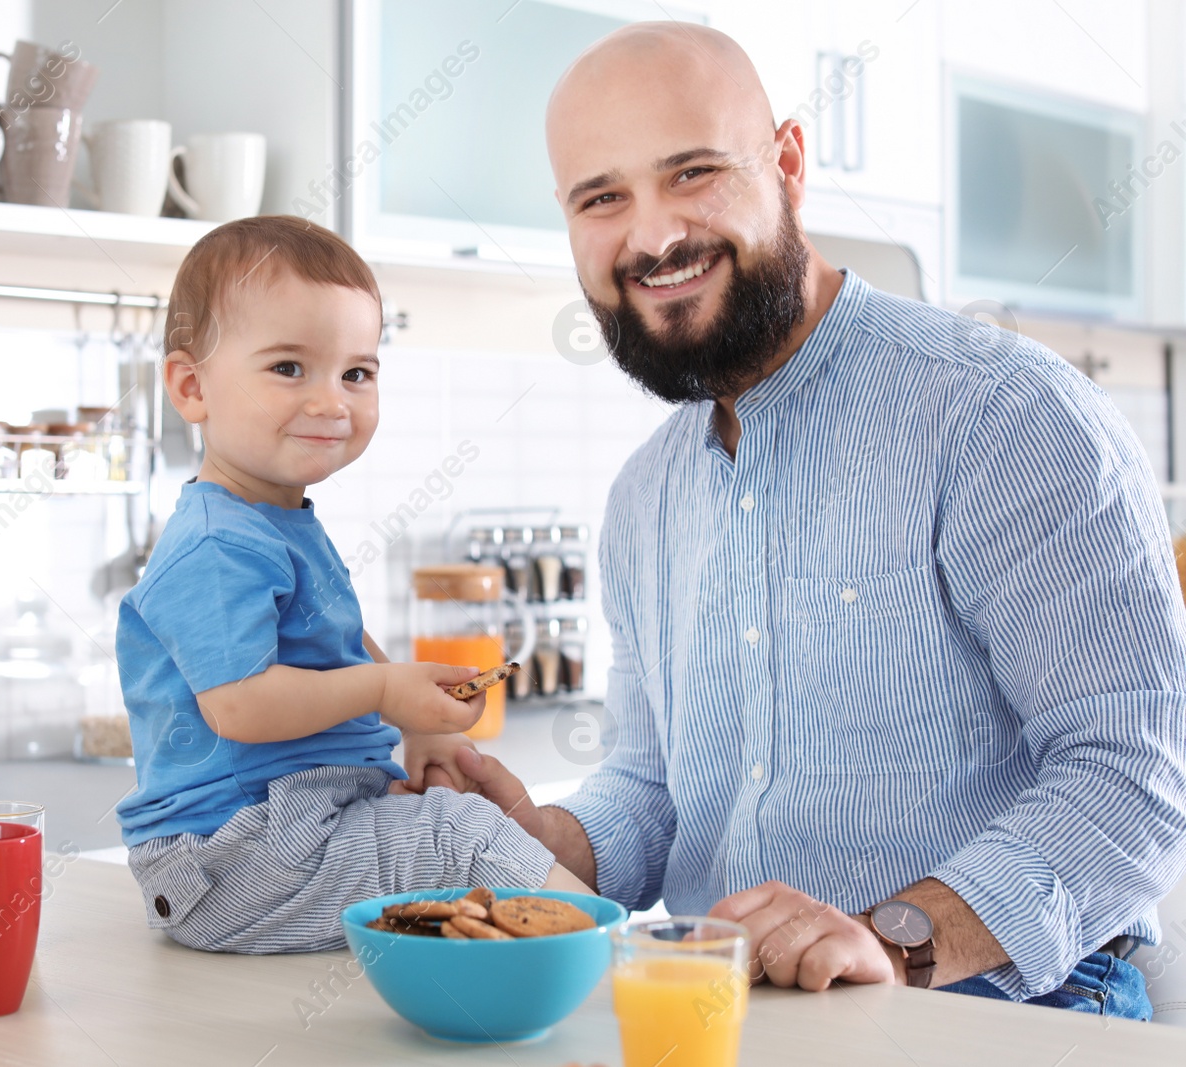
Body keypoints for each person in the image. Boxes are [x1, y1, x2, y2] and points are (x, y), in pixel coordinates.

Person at [451, 22, 1186, 1017]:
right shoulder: (642, 497)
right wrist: (551, 840)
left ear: (787, 162)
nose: (654, 235)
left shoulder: (1001, 417)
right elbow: (653, 788)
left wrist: (895, 938)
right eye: (603, 196)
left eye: (694, 172)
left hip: (1004, 1008)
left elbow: (1134, 765)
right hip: (731, 1010)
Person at [115, 215, 590, 954]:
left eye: (356, 373)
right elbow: (240, 702)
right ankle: (628, 958)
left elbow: (336, 641)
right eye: (288, 368)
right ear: (190, 386)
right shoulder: (213, 543)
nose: (332, 402)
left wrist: (417, 721)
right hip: (230, 853)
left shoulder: (277, 520)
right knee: (455, 834)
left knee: (443, 833)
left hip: (280, 828)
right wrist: (381, 693)